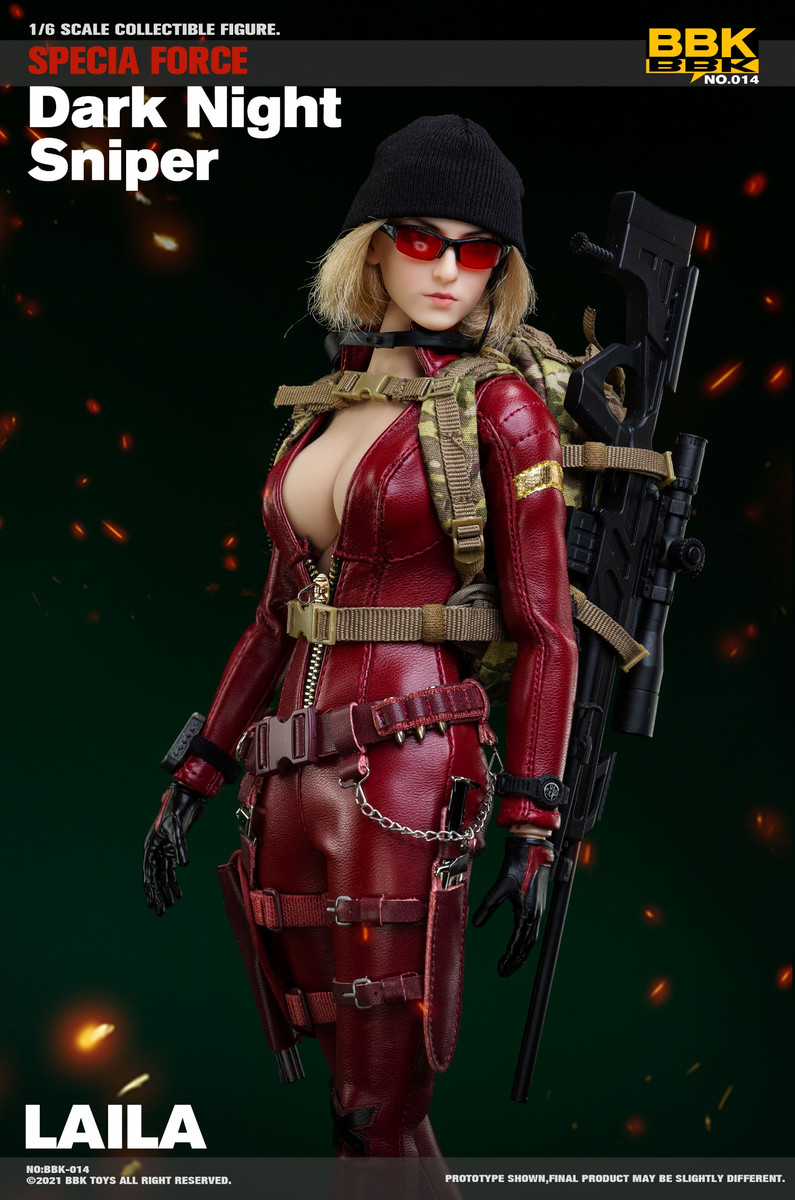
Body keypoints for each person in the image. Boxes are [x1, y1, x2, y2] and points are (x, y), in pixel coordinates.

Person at [143, 115, 578, 1162]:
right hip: (283, 783)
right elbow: (273, 619)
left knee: (374, 1105)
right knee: (353, 1095)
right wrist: (196, 773)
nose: (449, 271)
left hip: (409, 773)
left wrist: (532, 819)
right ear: (372, 249)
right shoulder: (322, 410)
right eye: (422, 239)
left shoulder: (502, 412)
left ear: (502, 270)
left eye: (479, 250)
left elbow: (546, 633)